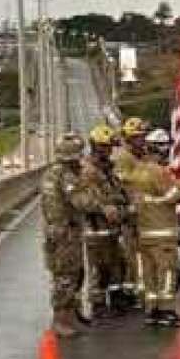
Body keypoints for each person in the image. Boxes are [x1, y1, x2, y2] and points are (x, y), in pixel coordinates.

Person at [37, 133, 96, 337]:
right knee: (66, 277)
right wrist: (89, 186)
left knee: (71, 274)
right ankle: (60, 321)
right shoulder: (66, 176)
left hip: (56, 231)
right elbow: (82, 202)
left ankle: (70, 317)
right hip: (65, 234)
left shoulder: (49, 173)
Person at [132, 127, 180, 327]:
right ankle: (166, 310)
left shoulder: (138, 170)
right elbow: (172, 196)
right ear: (162, 149)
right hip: (161, 232)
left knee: (149, 273)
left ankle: (152, 309)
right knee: (167, 271)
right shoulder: (158, 172)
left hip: (144, 232)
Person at [82, 125, 132, 318]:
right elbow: (90, 200)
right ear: (95, 147)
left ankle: (117, 298)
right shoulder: (89, 171)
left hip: (112, 228)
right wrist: (106, 208)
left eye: (110, 147)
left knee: (117, 263)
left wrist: (124, 206)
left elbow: (117, 194)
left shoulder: (108, 170)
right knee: (99, 268)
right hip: (96, 228)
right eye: (105, 147)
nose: (109, 150)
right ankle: (98, 303)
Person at [113, 117, 151, 306]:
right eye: (137, 137)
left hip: (144, 212)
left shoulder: (142, 155)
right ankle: (133, 292)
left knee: (141, 253)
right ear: (128, 138)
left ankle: (136, 289)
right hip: (131, 213)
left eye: (143, 136)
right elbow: (123, 184)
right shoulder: (123, 158)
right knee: (132, 254)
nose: (141, 140)